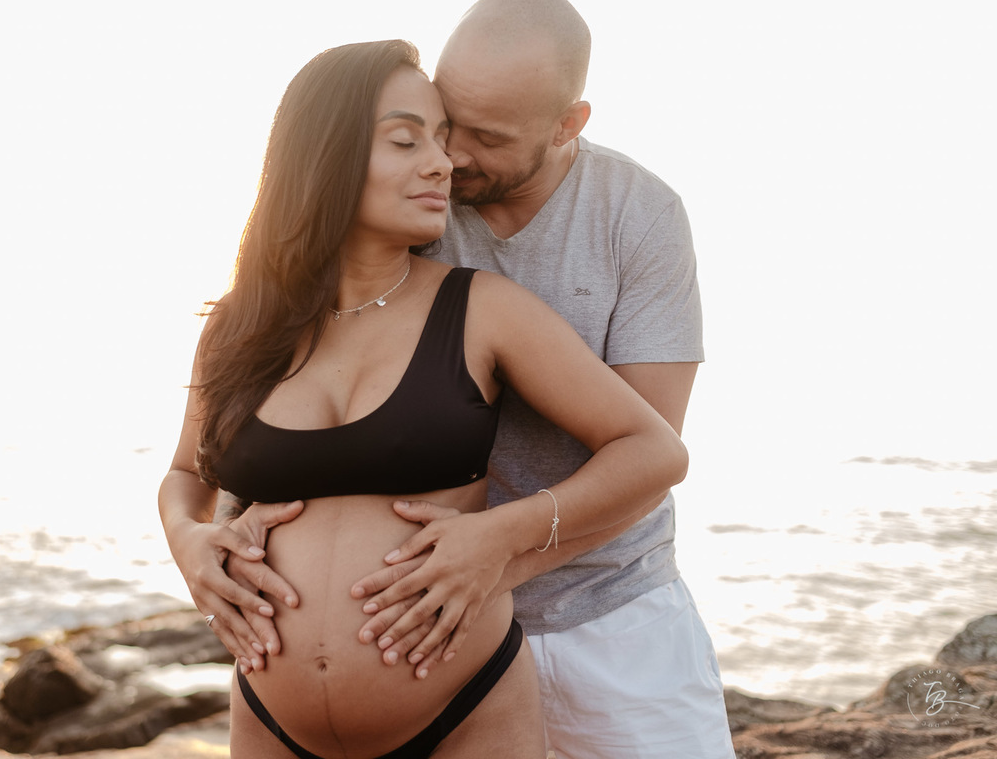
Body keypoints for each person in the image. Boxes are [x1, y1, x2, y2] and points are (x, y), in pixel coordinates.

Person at [158, 38, 688, 758]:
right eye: (407, 141)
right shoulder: (238, 326)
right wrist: (189, 543)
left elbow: (654, 449)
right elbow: (188, 475)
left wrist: (505, 534)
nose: (443, 163)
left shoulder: (484, 310)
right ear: (324, 156)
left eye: (441, 141)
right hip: (268, 714)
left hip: (465, 707)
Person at [350, 0, 735, 758]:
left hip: (616, 616)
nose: (452, 156)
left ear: (568, 125)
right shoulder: (412, 201)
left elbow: (648, 457)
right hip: (436, 624)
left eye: (486, 137)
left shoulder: (641, 214)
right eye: (447, 122)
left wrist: (497, 552)